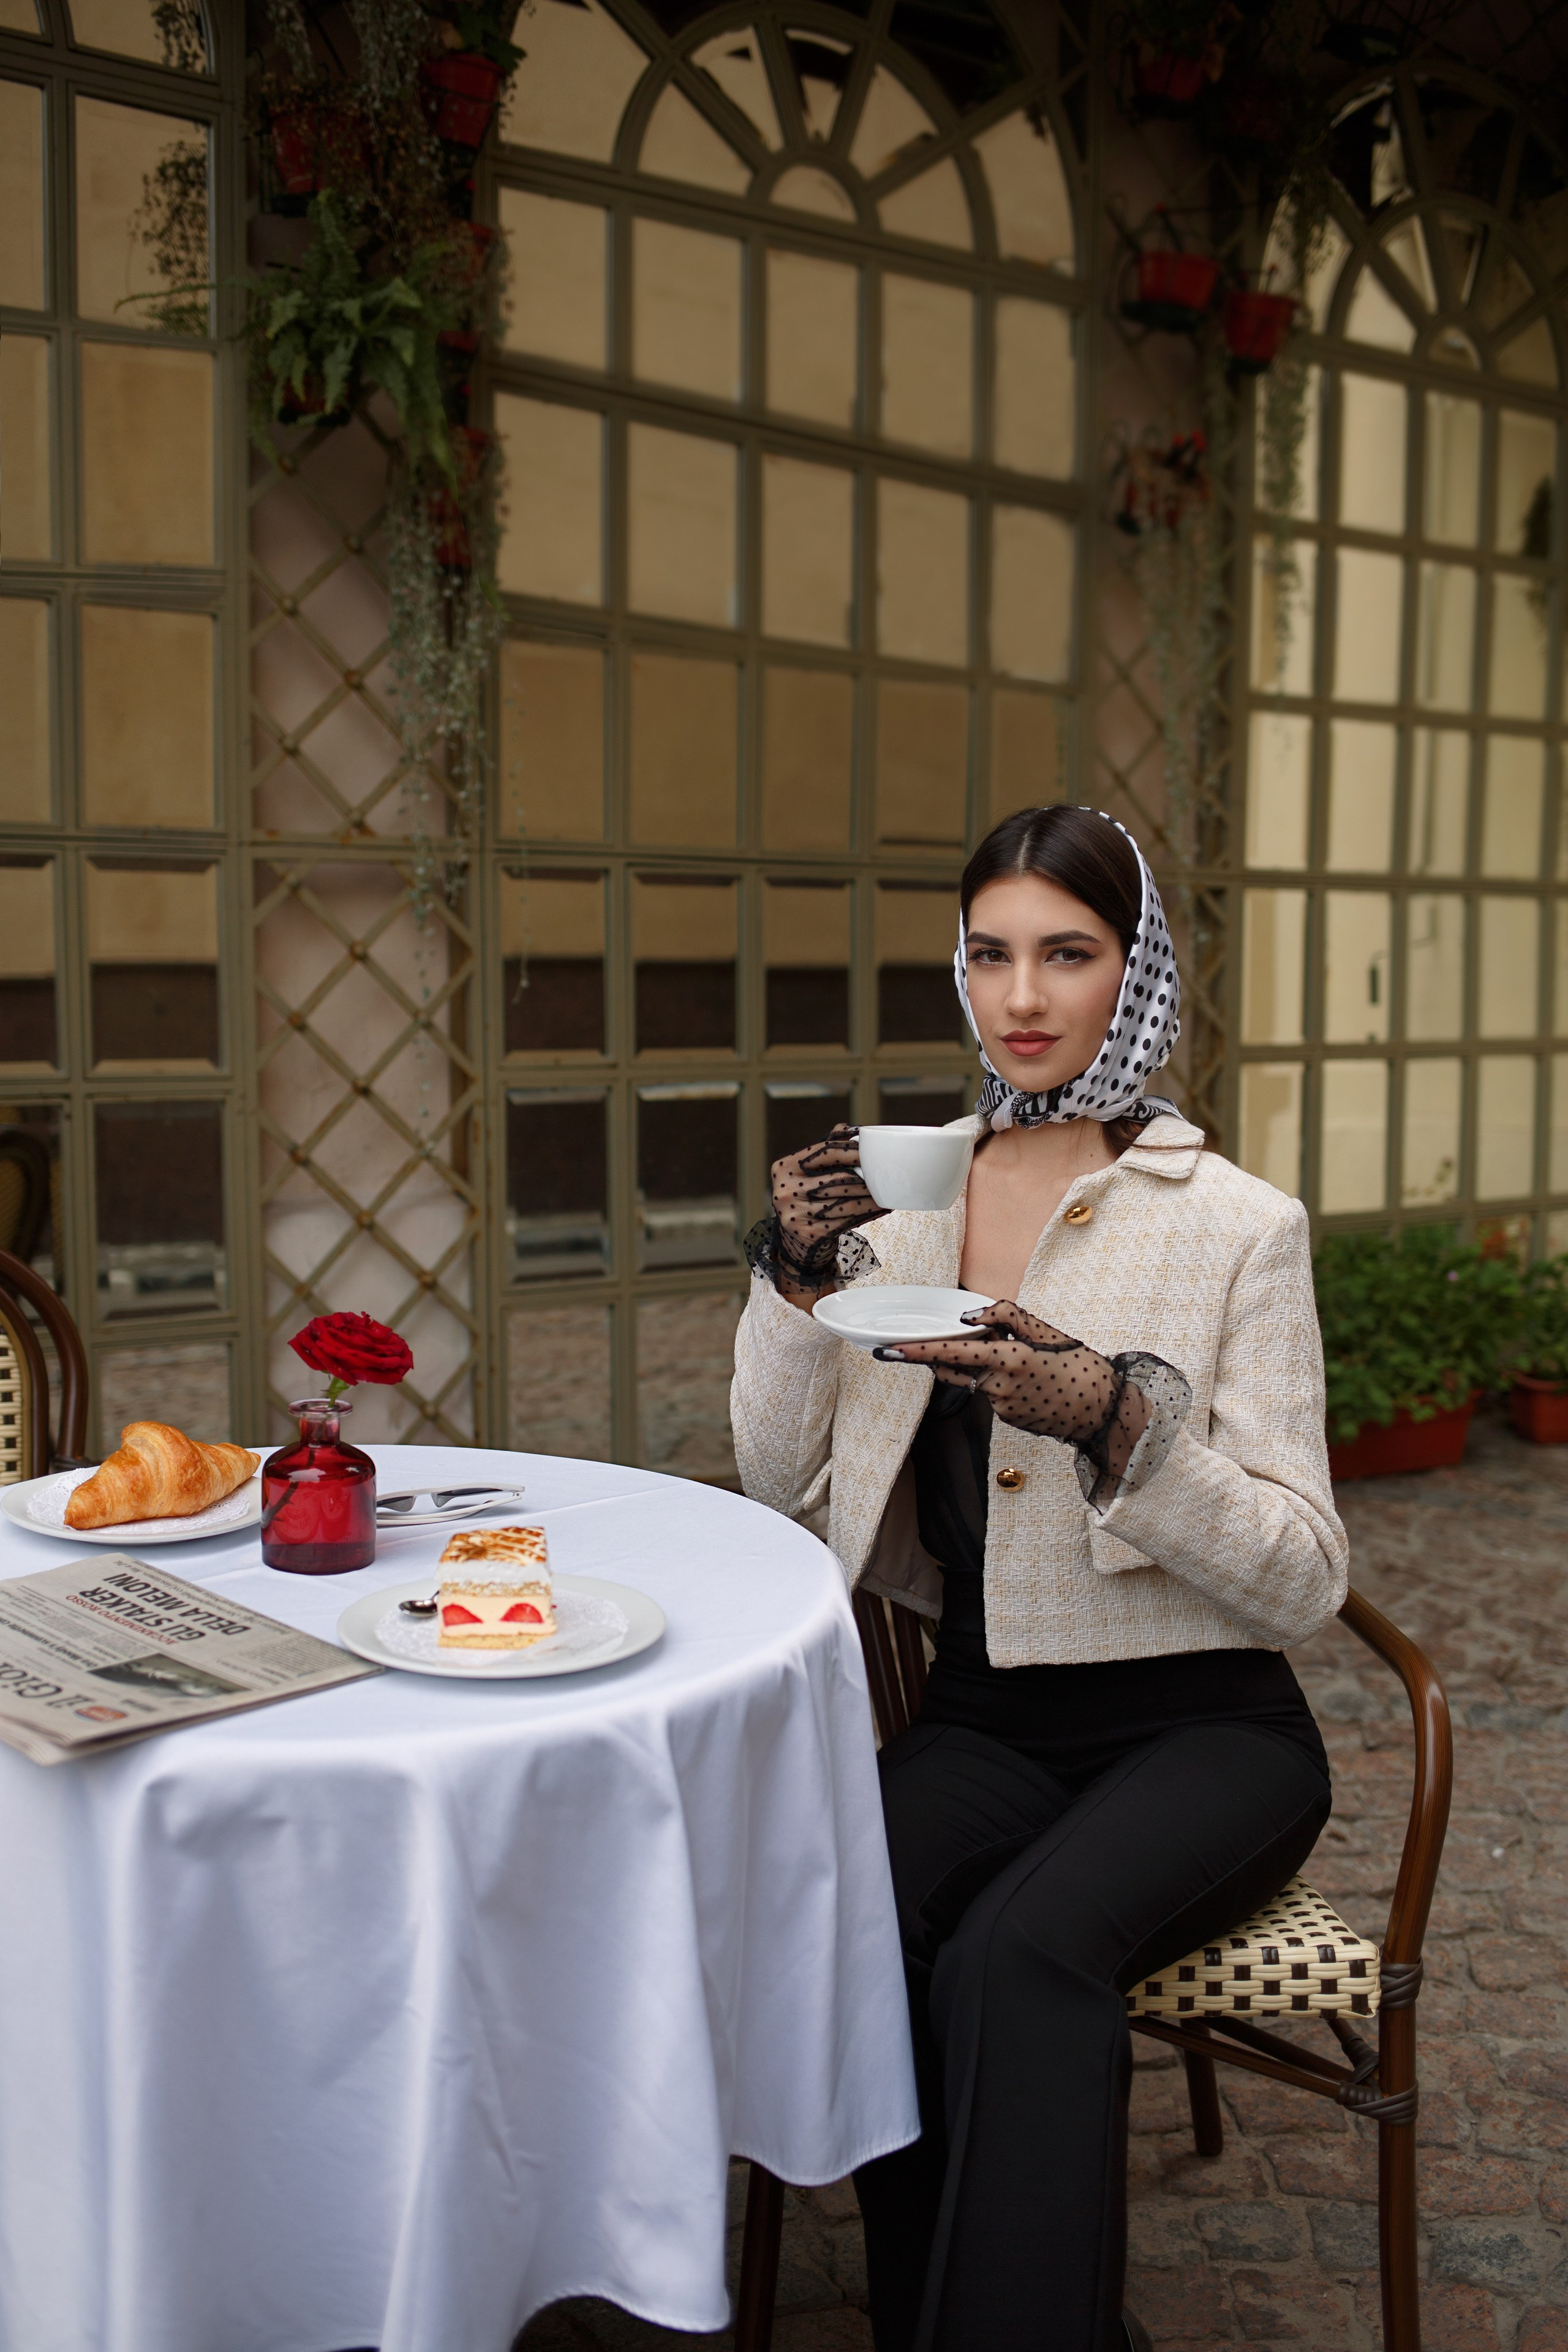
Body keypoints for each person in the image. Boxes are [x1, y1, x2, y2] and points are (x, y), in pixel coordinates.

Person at [730, 805, 1346, 2352]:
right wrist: (790, 1283)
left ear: (1135, 973)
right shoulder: (905, 1211)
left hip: (1207, 1731)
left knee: (1015, 1954)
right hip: (985, 1720)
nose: (1020, 997)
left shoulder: (1236, 1228)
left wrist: (1116, 1422)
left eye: (1066, 954)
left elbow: (1301, 1581)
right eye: (989, 954)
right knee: (857, 1924)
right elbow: (777, 1478)